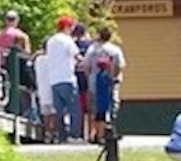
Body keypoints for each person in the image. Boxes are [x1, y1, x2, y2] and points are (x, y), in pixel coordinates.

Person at [44, 15, 83, 143]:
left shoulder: (51, 41)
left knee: (59, 111)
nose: (72, 30)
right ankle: (74, 135)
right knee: (74, 109)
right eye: (71, 27)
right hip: (67, 78)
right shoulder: (67, 40)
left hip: (54, 80)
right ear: (66, 27)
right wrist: (84, 63)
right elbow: (77, 56)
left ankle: (61, 136)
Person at [85, 26, 126, 139]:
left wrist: (90, 79)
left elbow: (86, 66)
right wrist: (113, 77)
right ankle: (108, 131)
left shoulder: (92, 50)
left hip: (94, 83)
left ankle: (94, 133)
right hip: (110, 83)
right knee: (111, 106)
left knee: (94, 109)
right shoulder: (115, 50)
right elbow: (120, 66)